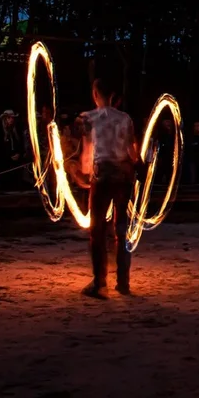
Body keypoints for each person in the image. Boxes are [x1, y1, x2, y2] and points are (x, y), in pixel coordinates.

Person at [80, 78, 139, 299]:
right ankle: (123, 283)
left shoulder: (88, 118)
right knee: (122, 228)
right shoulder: (125, 118)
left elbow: (87, 151)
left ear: (95, 93)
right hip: (123, 175)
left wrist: (85, 174)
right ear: (112, 95)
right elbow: (132, 150)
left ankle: (100, 283)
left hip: (102, 175)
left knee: (97, 230)